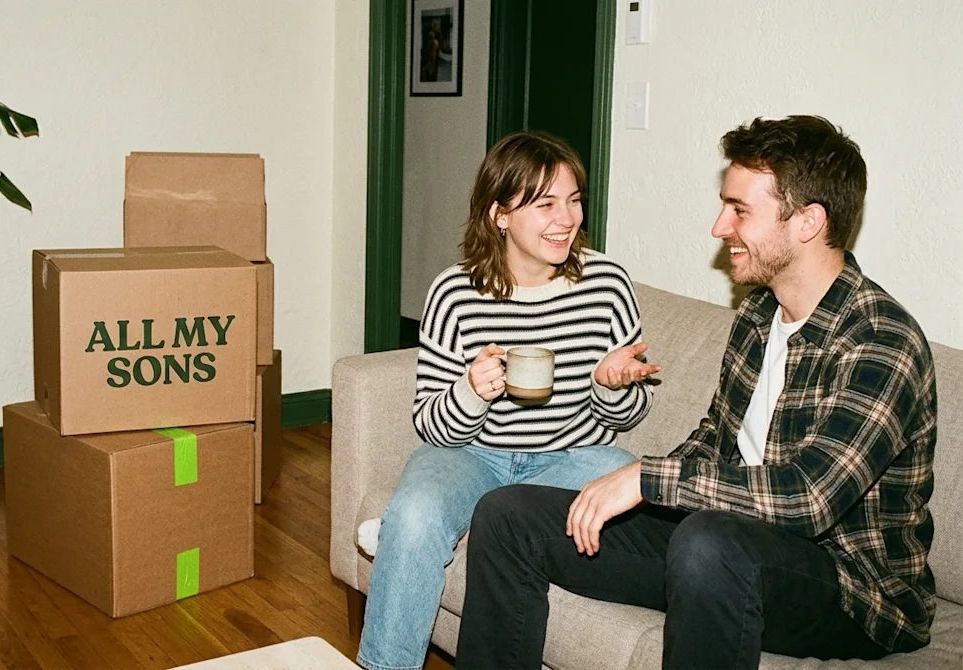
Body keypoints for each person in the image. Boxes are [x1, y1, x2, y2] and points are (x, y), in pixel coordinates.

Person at [454, 115, 937, 669]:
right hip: (721, 542)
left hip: (850, 588)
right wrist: (632, 490)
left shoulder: (880, 340)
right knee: (507, 514)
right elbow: (714, 438)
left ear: (807, 222)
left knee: (707, 543)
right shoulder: (759, 317)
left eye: (739, 209)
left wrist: (646, 476)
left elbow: (810, 498)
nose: (718, 226)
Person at [355, 130, 661, 670]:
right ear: (499, 214)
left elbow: (629, 418)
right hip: (471, 455)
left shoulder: (607, 284)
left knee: (621, 467)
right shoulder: (454, 292)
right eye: (544, 205)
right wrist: (470, 393)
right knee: (418, 514)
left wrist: (610, 387)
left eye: (573, 201)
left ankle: (462, 524)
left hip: (568, 459)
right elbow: (431, 425)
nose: (566, 219)